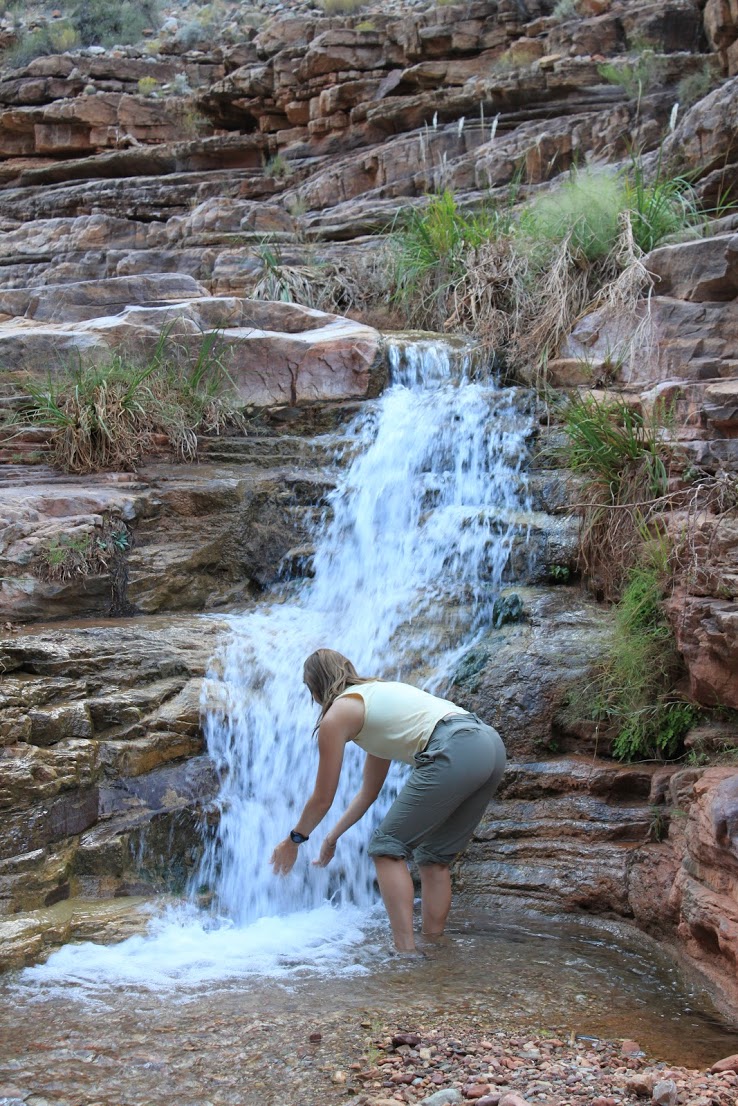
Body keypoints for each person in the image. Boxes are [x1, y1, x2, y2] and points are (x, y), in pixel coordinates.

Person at [270, 648, 506, 955]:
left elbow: (322, 799)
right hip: (488, 745)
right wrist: (332, 837)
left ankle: (405, 953)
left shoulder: (337, 715)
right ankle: (434, 948)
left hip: (455, 747)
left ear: (313, 688)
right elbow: (368, 792)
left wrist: (294, 840)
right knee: (433, 858)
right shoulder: (376, 699)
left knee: (386, 848)